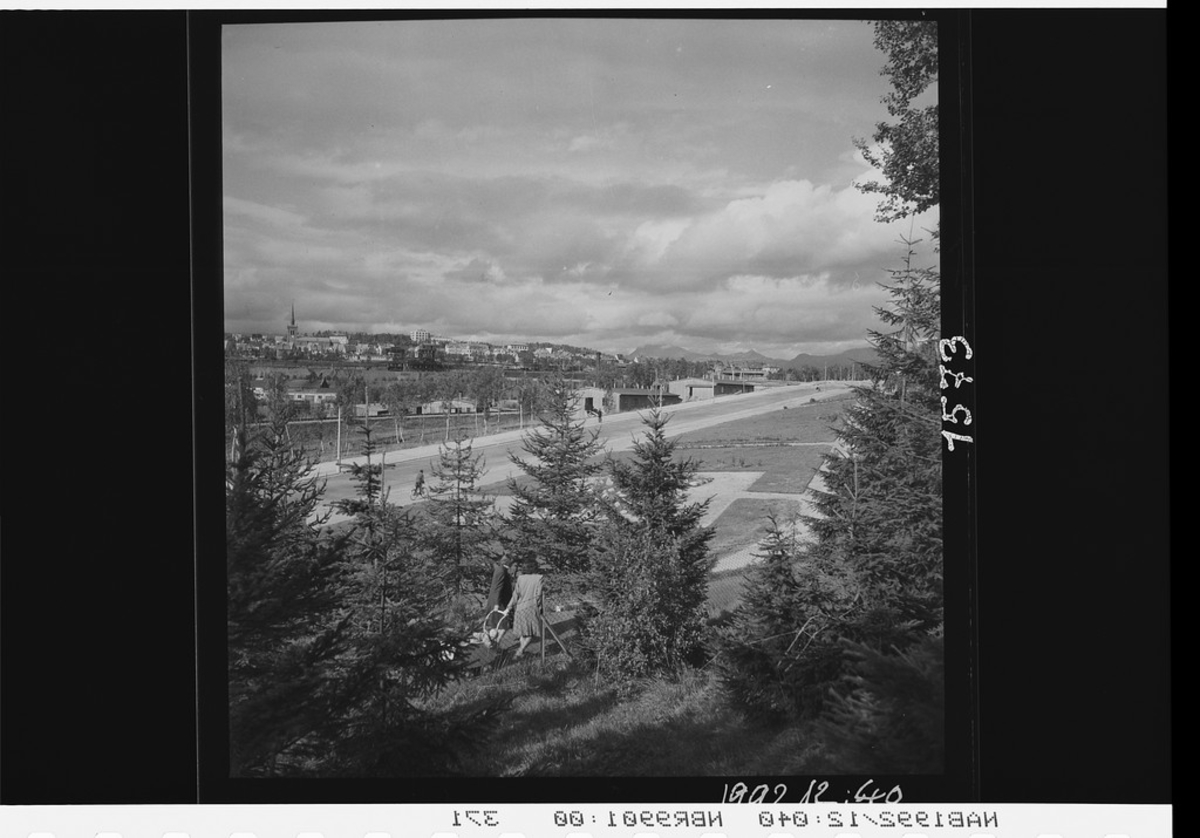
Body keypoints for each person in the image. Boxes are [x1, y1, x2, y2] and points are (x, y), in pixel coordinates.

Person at [502, 558, 544, 659]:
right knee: (530, 634)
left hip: (520, 608)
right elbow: (538, 595)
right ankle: (519, 651)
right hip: (532, 608)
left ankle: (521, 652)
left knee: (522, 633)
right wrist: (539, 607)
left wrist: (508, 607)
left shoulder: (520, 578)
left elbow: (515, 595)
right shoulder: (539, 578)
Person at [483, 553, 515, 647]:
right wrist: (496, 604)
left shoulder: (500, 569)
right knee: (503, 626)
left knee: (497, 626)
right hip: (499, 603)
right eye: (511, 561)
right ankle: (494, 644)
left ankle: (492, 643)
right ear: (508, 561)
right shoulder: (502, 571)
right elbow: (498, 588)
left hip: (497, 601)